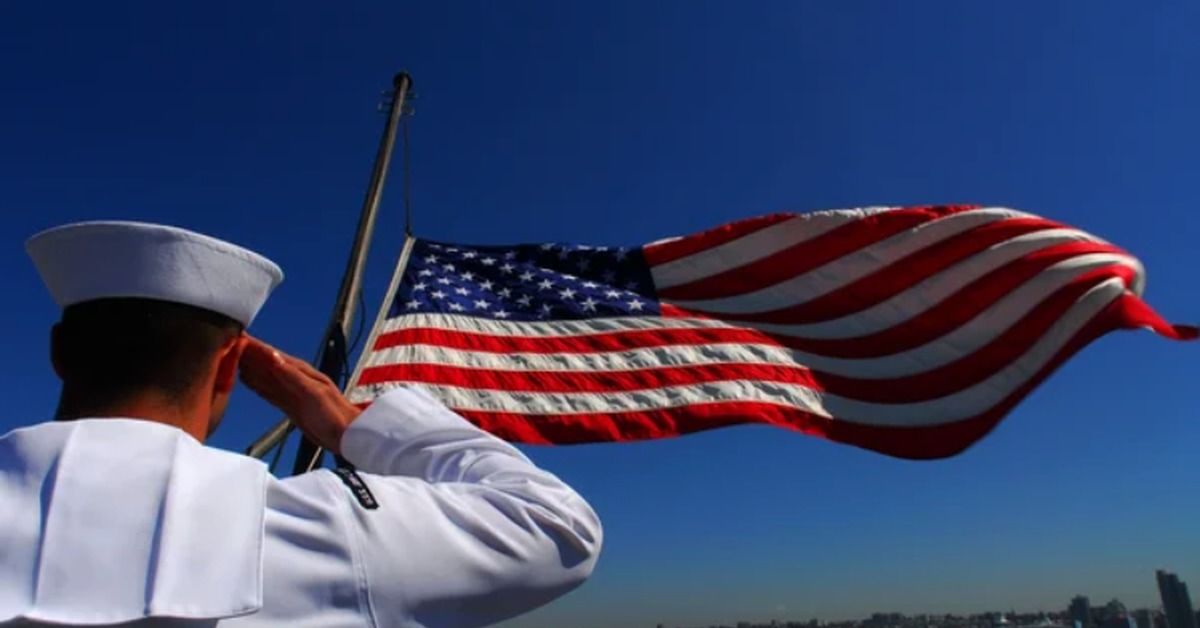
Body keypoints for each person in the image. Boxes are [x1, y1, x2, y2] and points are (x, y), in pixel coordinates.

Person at [0, 221, 603, 628]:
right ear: (230, 365)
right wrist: (349, 426)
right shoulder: (319, 532)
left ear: (59, 352)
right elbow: (559, 526)